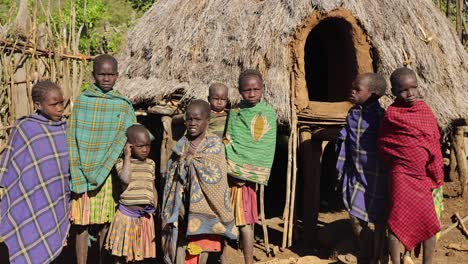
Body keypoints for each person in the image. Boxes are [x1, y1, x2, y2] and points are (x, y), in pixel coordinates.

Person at [68, 54, 137, 264]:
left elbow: (131, 134)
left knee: (105, 222)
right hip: (81, 170)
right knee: (81, 224)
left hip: (107, 175)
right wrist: (76, 169)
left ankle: (102, 260)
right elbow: (72, 137)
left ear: (117, 75)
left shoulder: (123, 105)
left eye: (110, 74)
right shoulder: (82, 102)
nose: (106, 78)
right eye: (101, 74)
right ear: (93, 75)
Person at [378, 67, 444, 264]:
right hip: (400, 175)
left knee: (429, 222)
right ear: (394, 92)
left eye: (414, 87)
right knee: (397, 222)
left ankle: (428, 262)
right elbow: (384, 143)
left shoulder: (424, 111)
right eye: (404, 90)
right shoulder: (391, 114)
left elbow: (434, 143)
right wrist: (400, 160)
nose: (411, 93)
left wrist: (435, 174)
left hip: (422, 176)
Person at [0, 81, 70, 264]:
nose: (60, 108)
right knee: (28, 238)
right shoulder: (26, 129)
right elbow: (12, 165)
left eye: (61, 103)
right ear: (38, 105)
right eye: (54, 104)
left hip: (56, 197)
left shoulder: (65, 128)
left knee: (53, 240)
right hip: (30, 197)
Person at [162, 100, 237, 264]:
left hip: (204, 210)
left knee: (201, 250)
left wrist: (189, 162)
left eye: (197, 119)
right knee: (181, 250)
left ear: (207, 121)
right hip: (181, 209)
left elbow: (216, 181)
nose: (192, 123)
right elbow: (171, 177)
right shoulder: (181, 145)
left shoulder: (214, 145)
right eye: (189, 119)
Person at [224, 69, 277, 264]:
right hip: (228, 176)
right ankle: (223, 256)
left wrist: (243, 173)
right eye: (247, 90)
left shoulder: (268, 114)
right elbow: (229, 139)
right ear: (239, 90)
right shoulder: (236, 111)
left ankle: (248, 261)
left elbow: (262, 148)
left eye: (256, 89)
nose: (252, 93)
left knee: (246, 223)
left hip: (246, 183)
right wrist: (230, 168)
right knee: (224, 219)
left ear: (263, 89)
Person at [336, 73, 387, 263]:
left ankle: (378, 255)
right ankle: (365, 250)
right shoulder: (353, 113)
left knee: (380, 220)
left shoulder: (381, 118)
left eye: (358, 90)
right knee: (355, 215)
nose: (352, 91)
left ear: (372, 94)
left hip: (377, 176)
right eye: (352, 87)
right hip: (357, 174)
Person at [105, 125, 157, 262]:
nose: (145, 149)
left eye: (148, 145)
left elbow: (152, 186)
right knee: (122, 254)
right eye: (140, 146)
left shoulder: (151, 163)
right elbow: (125, 179)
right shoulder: (122, 163)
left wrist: (155, 205)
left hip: (144, 218)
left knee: (139, 255)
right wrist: (127, 157)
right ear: (129, 146)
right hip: (126, 217)